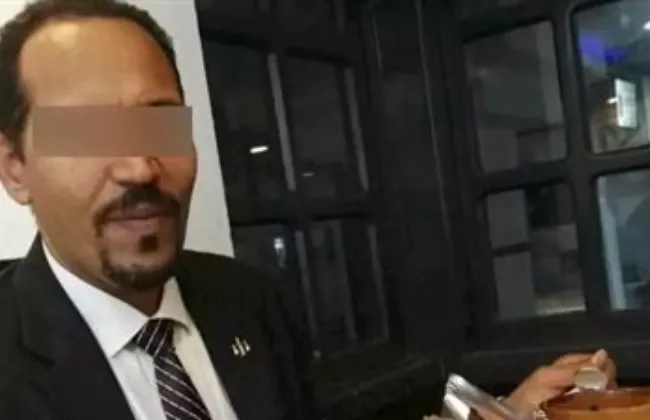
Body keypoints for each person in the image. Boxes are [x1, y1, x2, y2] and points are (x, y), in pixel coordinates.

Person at [0, 1, 616, 420]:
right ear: (15, 169)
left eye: (160, 124)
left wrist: (501, 412)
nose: (139, 167)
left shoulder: (247, 300)